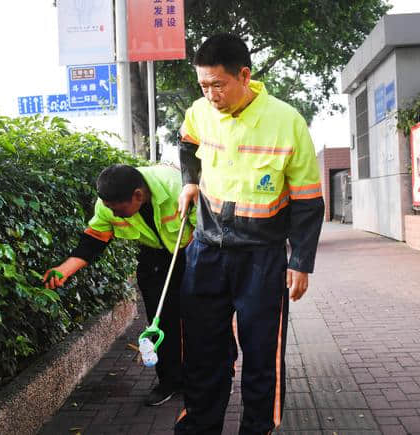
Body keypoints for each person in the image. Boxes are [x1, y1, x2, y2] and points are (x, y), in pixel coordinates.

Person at [175, 34, 325, 434]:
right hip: (206, 252)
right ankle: (199, 427)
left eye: (218, 84)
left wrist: (301, 262)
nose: (210, 94)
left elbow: (309, 200)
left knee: (262, 357)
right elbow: (186, 143)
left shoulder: (287, 122)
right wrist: (190, 181)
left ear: (245, 75)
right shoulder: (199, 112)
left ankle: (258, 429)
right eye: (203, 85)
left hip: (261, 258)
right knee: (204, 353)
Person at [43, 164, 196, 406]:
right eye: (109, 209)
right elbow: (93, 240)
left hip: (193, 250)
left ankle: (213, 379)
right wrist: (63, 270)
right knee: (161, 321)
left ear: (138, 195)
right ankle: (171, 381)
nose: (113, 215)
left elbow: (209, 226)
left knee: (203, 318)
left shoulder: (177, 186)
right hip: (155, 256)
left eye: (119, 210)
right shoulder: (108, 204)